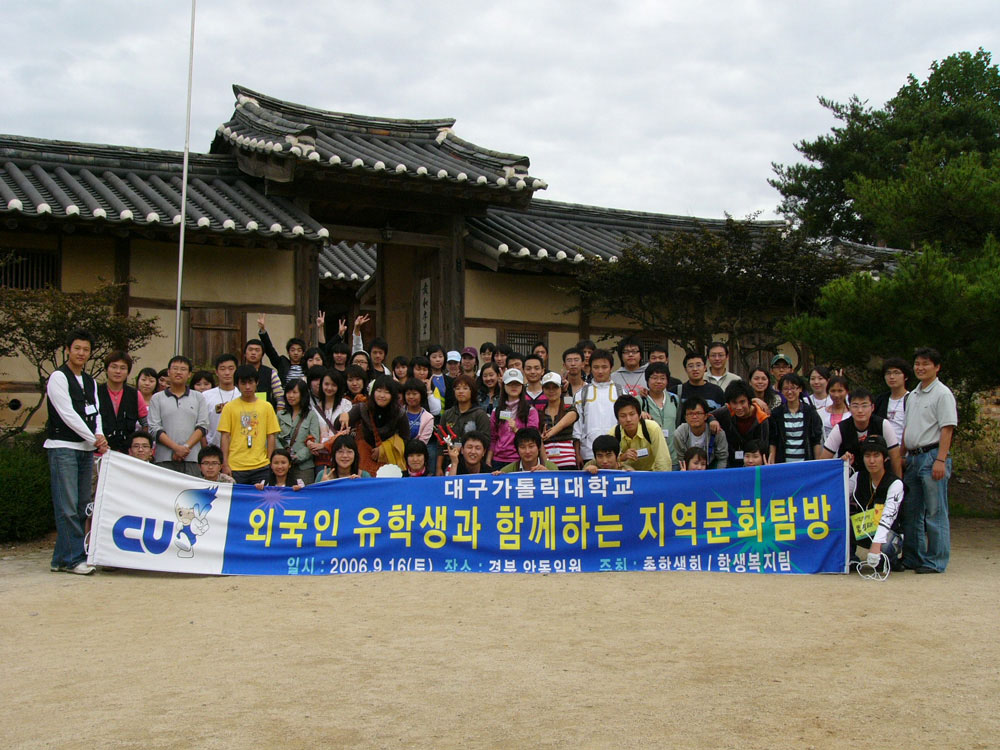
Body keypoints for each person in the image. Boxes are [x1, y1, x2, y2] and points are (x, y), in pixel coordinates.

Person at [45, 329, 108, 575]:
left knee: (82, 504)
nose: (81, 353)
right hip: (63, 447)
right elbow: (67, 414)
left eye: (86, 349)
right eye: (77, 348)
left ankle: (61, 558)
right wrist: (94, 439)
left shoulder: (90, 381)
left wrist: (99, 436)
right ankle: (72, 558)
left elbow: (96, 413)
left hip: (86, 449)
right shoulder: (58, 378)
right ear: (68, 349)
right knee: (67, 504)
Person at [900, 347, 957, 574]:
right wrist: (903, 456)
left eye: (926, 364)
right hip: (913, 458)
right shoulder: (913, 395)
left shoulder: (942, 394)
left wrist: (941, 460)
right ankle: (914, 556)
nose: (920, 368)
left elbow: (947, 429)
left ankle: (936, 560)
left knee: (935, 510)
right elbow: (907, 428)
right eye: (917, 364)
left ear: (937, 367)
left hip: (932, 455)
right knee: (912, 511)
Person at [820, 387, 902, 480]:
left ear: (872, 407)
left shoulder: (883, 425)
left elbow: (895, 457)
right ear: (849, 407)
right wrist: (841, 462)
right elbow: (823, 461)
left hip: (881, 477)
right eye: (855, 406)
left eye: (864, 405)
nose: (860, 410)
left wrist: (899, 484)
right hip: (852, 479)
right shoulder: (840, 428)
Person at [218, 364, 281, 484]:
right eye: (243, 383)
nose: (247, 387)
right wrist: (225, 464)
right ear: (237, 384)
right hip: (236, 466)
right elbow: (225, 436)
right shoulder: (229, 407)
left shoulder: (266, 406)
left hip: (261, 466)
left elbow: (271, 436)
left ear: (257, 382)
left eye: (251, 382)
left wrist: (270, 461)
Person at [848, 436, 904, 569]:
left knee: (887, 545)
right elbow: (838, 497)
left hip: (889, 531)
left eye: (876, 455)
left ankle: (889, 560)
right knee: (842, 524)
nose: (871, 461)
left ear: (885, 458)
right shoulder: (857, 477)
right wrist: (845, 467)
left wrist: (877, 544)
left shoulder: (895, 484)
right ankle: (850, 558)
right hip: (865, 528)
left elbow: (888, 516)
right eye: (867, 456)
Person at [147, 356, 209, 475]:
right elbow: (154, 428)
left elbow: (203, 426)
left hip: (192, 458)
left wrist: (185, 447)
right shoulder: (157, 398)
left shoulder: (198, 397)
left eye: (183, 369)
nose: (179, 372)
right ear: (169, 372)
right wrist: (176, 448)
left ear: (189, 374)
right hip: (164, 459)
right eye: (175, 368)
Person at [337, 375, 410, 475]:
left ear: (393, 395)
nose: (382, 395)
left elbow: (405, 439)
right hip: (364, 457)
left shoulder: (399, 413)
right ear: (373, 391)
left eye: (387, 392)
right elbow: (338, 425)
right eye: (379, 391)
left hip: (388, 462)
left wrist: (384, 449)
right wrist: (344, 415)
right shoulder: (363, 408)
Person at [572, 349, 620, 466]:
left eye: (604, 367)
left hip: (615, 453)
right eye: (596, 367)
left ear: (611, 367)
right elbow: (577, 427)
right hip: (588, 453)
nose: (600, 371)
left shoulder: (621, 392)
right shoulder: (582, 394)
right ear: (590, 368)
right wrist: (578, 454)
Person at [487, 368, 540, 471]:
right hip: (499, 459)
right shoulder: (496, 411)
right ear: (504, 386)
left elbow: (533, 437)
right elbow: (493, 438)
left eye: (517, 384)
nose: (514, 387)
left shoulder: (530, 411)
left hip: (521, 459)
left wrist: (516, 430)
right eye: (510, 384)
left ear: (522, 386)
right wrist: (489, 460)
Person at [710, 381, 770, 468]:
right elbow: (708, 415)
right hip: (731, 466)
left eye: (742, 402)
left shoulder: (762, 418)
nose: (739, 407)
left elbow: (764, 448)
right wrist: (712, 420)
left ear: (749, 401)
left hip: (753, 467)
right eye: (734, 403)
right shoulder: (726, 411)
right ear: (729, 403)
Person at [97, 350, 148, 453]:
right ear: (106, 369)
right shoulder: (95, 392)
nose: (118, 371)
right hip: (99, 452)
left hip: (126, 454)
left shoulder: (135, 395)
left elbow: (145, 424)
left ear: (128, 372)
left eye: (123, 368)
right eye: (114, 367)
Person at [769, 373, 823, 463]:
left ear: (800, 389)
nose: (789, 392)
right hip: (783, 464)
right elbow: (773, 441)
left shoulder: (810, 412)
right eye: (786, 388)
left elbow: (816, 440)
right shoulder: (776, 413)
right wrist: (772, 464)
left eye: (793, 388)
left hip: (805, 464)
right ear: (781, 391)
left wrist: (817, 464)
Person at [610, 395, 671, 471]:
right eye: (623, 416)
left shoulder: (652, 428)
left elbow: (663, 459)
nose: (628, 419)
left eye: (632, 414)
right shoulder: (614, 433)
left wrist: (662, 480)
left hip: (650, 474)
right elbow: (605, 461)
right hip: (626, 475)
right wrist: (622, 457)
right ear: (617, 419)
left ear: (639, 415)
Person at [278, 380, 322, 486]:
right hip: (282, 466)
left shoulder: (311, 415)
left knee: (304, 497)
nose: (290, 396)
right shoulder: (280, 414)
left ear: (302, 394)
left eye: (294, 392)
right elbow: (274, 438)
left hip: (304, 467)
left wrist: (298, 457)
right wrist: (283, 457)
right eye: (288, 392)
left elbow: (314, 440)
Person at [672, 397, 728, 470]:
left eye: (698, 413)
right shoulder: (679, 434)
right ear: (685, 417)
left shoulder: (717, 431)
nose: (694, 417)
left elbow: (722, 458)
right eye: (690, 414)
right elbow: (681, 459)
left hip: (712, 468)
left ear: (706, 416)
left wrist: (718, 476)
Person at [439, 374, 491, 450]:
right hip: (450, 458)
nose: (461, 391)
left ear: (472, 391)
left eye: (465, 388)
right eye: (457, 388)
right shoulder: (447, 414)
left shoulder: (480, 414)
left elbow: (485, 441)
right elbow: (440, 442)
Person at [640, 362, 680, 458]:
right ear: (647, 380)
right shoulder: (640, 400)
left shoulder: (674, 399)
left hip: (673, 455)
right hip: (649, 457)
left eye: (662, 378)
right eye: (654, 378)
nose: (658, 381)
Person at [540, 372, 578, 469]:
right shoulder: (540, 413)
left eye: (555, 387)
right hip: (548, 464)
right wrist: (546, 463)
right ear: (543, 390)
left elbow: (571, 416)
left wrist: (550, 433)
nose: (551, 391)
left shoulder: (568, 408)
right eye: (547, 388)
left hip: (568, 461)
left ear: (561, 388)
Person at [257, 313, 307, 387]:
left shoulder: (307, 365)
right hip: (284, 397)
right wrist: (263, 330)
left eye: (299, 350)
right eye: (292, 350)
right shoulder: (282, 363)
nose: (296, 353)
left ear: (303, 353)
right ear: (288, 352)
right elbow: (270, 351)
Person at [203, 353, 240, 448]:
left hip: (237, 449)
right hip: (212, 447)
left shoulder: (242, 395)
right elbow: (201, 424)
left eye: (231, 369)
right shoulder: (206, 396)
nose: (227, 373)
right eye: (222, 369)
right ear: (216, 372)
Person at [874, 357, 912, 437]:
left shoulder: (912, 399)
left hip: (906, 446)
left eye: (896, 373)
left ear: (906, 377)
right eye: (888, 373)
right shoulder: (880, 400)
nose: (892, 377)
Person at [244, 337, 284, 410]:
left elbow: (280, 396)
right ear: (245, 353)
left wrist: (278, 415)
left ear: (262, 354)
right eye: (250, 350)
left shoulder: (271, 373)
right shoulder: (238, 372)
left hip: (265, 413)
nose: (253, 353)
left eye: (257, 350)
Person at [402, 378, 435, 446]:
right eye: (408, 394)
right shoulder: (398, 412)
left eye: (414, 394)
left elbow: (423, 443)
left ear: (422, 395)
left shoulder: (428, 418)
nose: (411, 397)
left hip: (416, 452)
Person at [820, 375, 851, 441]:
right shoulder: (820, 413)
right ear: (828, 391)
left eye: (840, 391)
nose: (836, 395)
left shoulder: (852, 414)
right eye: (833, 391)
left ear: (847, 391)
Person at [426, 344, 454, 409]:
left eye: (440, 356)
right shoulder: (426, 379)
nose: (438, 360)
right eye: (434, 357)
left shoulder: (450, 380)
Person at [522, 354, 548, 419]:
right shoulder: (520, 393)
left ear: (542, 371)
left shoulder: (549, 392)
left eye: (536, 368)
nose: (532, 372)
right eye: (528, 369)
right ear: (523, 371)